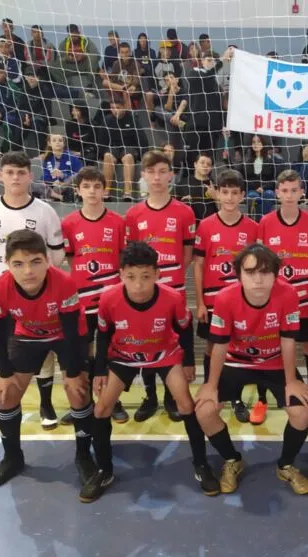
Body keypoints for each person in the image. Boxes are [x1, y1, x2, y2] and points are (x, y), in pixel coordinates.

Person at [85, 241, 218, 502]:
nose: (138, 284)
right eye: (131, 277)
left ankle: (201, 465)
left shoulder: (172, 298)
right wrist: (100, 369)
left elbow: (183, 330)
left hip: (164, 354)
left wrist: (189, 362)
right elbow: (103, 335)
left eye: (146, 277)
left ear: (158, 274)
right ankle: (104, 470)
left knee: (186, 404)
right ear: (121, 274)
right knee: (101, 409)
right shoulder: (109, 298)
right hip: (123, 356)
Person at [0, 229, 96, 491]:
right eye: (18, 264)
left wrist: (74, 371)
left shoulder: (64, 282)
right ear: (7, 265)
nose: (28, 272)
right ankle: (12, 458)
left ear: (47, 260)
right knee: (6, 394)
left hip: (67, 335)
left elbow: (70, 331)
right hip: (28, 334)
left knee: (77, 391)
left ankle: (83, 456)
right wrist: (4, 372)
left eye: (35, 262)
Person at [194, 244, 308, 495]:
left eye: (265, 272)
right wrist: (210, 385)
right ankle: (232, 460)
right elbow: (219, 345)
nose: (258, 279)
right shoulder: (225, 298)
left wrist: (291, 380)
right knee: (204, 411)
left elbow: (288, 341)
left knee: (301, 412)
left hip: (275, 362)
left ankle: (286, 465)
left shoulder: (289, 294)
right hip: (236, 362)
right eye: (250, 272)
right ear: (239, 274)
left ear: (275, 274)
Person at [0, 151, 66, 430]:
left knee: (43, 351)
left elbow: (56, 256)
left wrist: (32, 279)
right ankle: (8, 403)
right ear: (0, 175)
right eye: (10, 172)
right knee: (5, 350)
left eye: (21, 172)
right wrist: (8, 279)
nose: (15, 177)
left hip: (39, 295)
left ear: (30, 176)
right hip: (2, 297)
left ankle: (46, 404)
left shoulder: (45, 211)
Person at [124, 150, 196, 422]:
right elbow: (130, 258)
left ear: (171, 175)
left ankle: (170, 397)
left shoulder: (185, 212)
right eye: (151, 172)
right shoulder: (133, 214)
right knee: (145, 339)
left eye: (162, 171)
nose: (157, 177)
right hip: (143, 291)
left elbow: (187, 252)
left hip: (173, 289)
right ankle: (150, 396)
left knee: (172, 341)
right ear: (143, 175)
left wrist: (174, 275)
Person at [256, 170, 308, 425]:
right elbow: (261, 265)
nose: (290, 195)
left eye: (294, 190)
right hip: (274, 301)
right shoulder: (265, 222)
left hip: (305, 301)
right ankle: (261, 399)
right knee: (269, 349)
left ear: (302, 191)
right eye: (285, 190)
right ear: (277, 192)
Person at [61, 167, 128, 424]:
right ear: (78, 190)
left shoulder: (117, 222)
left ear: (105, 189)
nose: (92, 191)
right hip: (82, 300)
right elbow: (69, 259)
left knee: (112, 350)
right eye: (86, 186)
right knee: (84, 350)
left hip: (111, 300)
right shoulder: (68, 224)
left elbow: (122, 258)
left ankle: (113, 400)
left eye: (96, 186)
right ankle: (86, 401)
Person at [193, 169, 259, 423]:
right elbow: (198, 265)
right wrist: (199, 302)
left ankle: (236, 398)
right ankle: (213, 391)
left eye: (234, 192)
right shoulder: (206, 225)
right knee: (212, 348)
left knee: (237, 349)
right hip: (211, 301)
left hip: (240, 302)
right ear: (217, 193)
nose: (229, 197)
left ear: (242, 195)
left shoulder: (252, 228)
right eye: (225, 192)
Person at [175, 151, 216, 223]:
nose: (205, 165)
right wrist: (181, 204)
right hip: (189, 226)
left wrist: (216, 197)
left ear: (211, 168)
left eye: (208, 164)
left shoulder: (214, 186)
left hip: (209, 227)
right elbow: (174, 207)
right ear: (195, 164)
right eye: (202, 162)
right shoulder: (183, 183)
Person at [42, 134, 83, 202]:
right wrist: (53, 182)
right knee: (35, 184)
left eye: (60, 140)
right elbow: (45, 176)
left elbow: (80, 174)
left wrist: (63, 175)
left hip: (69, 185)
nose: (57, 142)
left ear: (64, 143)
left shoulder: (72, 157)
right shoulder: (47, 159)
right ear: (49, 143)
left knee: (76, 177)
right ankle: (59, 197)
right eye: (54, 141)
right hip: (54, 187)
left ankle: (51, 196)